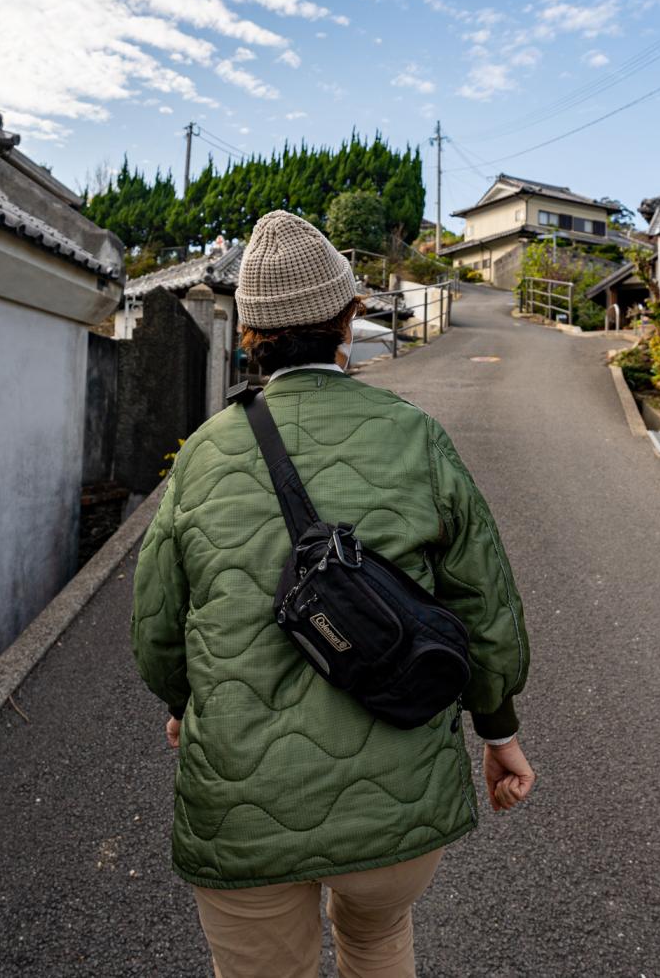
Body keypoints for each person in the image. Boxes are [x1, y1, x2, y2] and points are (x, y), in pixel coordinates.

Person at [131, 210, 534, 978]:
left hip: (242, 809)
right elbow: (485, 604)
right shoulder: (416, 435)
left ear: (251, 331)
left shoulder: (205, 453)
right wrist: (499, 728)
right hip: (398, 800)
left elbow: (155, 624)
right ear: (349, 318)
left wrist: (184, 701)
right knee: (378, 942)